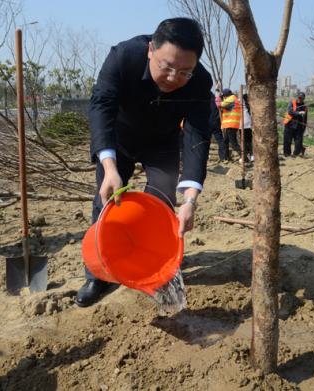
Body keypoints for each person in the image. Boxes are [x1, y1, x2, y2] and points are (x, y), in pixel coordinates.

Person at [78, 18, 213, 307]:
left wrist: (190, 199)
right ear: (151, 49)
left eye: (184, 72)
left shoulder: (200, 82)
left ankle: (154, 264)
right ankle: (97, 275)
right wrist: (110, 168)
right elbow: (101, 105)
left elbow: (197, 136)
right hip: (120, 137)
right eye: (166, 67)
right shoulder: (124, 57)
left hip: (162, 140)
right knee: (106, 199)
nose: (173, 78)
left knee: (162, 199)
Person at [217, 88, 243, 163]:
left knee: (233, 144)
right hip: (231, 124)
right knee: (225, 141)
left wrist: (217, 97)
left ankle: (244, 157)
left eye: (223, 97)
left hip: (231, 124)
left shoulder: (231, 99)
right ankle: (226, 158)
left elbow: (219, 105)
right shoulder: (234, 98)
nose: (223, 98)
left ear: (226, 96)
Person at [283, 92, 308, 157]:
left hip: (299, 126)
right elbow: (289, 111)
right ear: (297, 97)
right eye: (299, 98)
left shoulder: (304, 106)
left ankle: (296, 154)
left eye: (302, 98)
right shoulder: (292, 102)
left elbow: (305, 118)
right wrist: (298, 113)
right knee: (287, 141)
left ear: (304, 99)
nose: (300, 99)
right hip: (290, 125)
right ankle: (287, 154)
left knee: (298, 141)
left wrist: (304, 128)